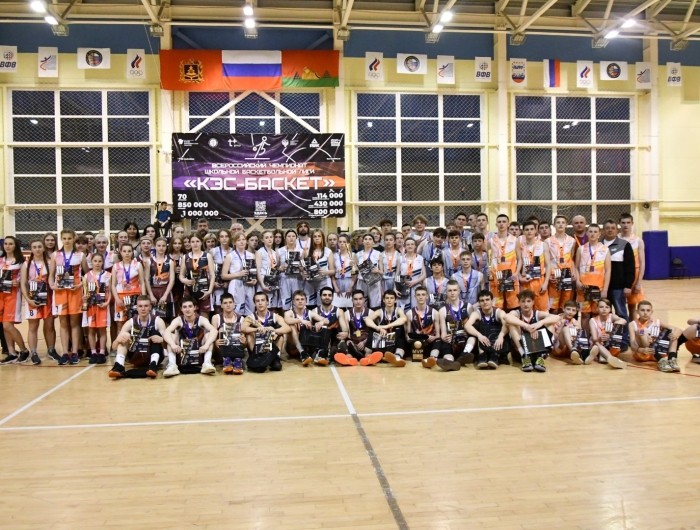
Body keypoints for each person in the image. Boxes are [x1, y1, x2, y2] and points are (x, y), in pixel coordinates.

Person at [49, 229, 89, 365]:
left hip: (75, 292)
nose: (67, 241)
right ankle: (65, 352)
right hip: (60, 292)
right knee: (63, 323)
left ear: (73, 239)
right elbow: (51, 274)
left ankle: (75, 352)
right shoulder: (55, 255)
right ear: (61, 239)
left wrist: (80, 285)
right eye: (64, 238)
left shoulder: (80, 255)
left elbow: (87, 275)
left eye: (69, 238)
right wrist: (52, 285)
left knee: (74, 323)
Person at [108, 295, 168, 379]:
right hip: (136, 356)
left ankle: (153, 365)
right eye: (140, 306)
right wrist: (118, 340)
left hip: (153, 355)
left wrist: (162, 340)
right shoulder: (130, 322)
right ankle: (119, 366)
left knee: (155, 334)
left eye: (146, 306)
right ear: (136, 307)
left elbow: (167, 345)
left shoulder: (158, 321)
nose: (143, 309)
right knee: (124, 336)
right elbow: (114, 347)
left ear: (150, 307)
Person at [20, 238, 56, 365]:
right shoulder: (26, 264)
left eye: (40, 246)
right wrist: (28, 299)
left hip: (48, 298)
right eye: (34, 247)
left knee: (49, 326)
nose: (37, 249)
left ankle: (51, 350)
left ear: (44, 248)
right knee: (33, 327)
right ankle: (34, 353)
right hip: (33, 299)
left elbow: (53, 279)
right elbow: (23, 284)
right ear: (31, 249)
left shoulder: (50, 262)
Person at [506, 290, 560, 372]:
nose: (526, 304)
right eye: (523, 301)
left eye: (528, 301)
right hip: (520, 351)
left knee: (550, 324)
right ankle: (524, 356)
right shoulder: (516, 313)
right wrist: (526, 326)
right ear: (519, 303)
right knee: (512, 324)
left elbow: (557, 317)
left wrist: (540, 323)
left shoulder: (537, 314)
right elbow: (506, 317)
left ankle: (541, 357)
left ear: (533, 302)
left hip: (536, 350)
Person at [163, 297, 218, 377]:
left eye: (190, 306)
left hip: (199, 351)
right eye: (184, 307)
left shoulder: (201, 319)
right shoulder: (178, 320)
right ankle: (172, 365)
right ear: (181, 309)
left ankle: (207, 363)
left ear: (195, 307)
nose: (187, 309)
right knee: (171, 336)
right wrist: (173, 345)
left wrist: (206, 345)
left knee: (209, 335)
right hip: (182, 352)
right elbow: (166, 332)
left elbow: (214, 331)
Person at [241, 292, 291, 373]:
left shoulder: (275, 316)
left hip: (270, 347)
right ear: (254, 303)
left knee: (280, 335)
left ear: (267, 302)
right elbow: (242, 328)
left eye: (263, 300)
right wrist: (257, 329)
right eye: (257, 301)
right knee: (249, 335)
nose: (260, 303)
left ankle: (275, 358)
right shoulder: (251, 317)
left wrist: (273, 330)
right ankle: (256, 357)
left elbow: (287, 328)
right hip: (257, 347)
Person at [627, 300, 681, 373]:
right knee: (643, 331)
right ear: (637, 312)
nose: (645, 313)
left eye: (648, 310)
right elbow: (632, 344)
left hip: (656, 352)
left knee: (673, 333)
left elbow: (677, 329)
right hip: (643, 353)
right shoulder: (632, 324)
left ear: (651, 312)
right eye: (642, 310)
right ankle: (661, 361)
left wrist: (676, 333)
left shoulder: (657, 322)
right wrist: (641, 350)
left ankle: (672, 359)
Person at [601, 219, 635, 334]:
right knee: (604, 314)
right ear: (603, 230)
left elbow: (630, 267)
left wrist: (628, 285)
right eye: (607, 228)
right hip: (601, 287)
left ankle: (624, 338)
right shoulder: (598, 245)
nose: (610, 230)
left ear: (617, 230)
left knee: (621, 314)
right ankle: (606, 338)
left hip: (618, 287)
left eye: (613, 228)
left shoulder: (625, 245)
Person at [575, 224, 610, 332]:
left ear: (599, 234)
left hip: (598, 288)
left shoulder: (605, 249)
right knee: (585, 314)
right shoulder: (581, 249)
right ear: (587, 233)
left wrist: (605, 289)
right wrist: (577, 281)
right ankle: (585, 337)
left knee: (596, 314)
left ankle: (596, 337)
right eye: (590, 231)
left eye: (595, 232)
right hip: (584, 288)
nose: (593, 234)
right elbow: (576, 267)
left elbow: (608, 270)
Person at [465, 290, 510, 370]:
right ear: (479, 303)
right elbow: (467, 325)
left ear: (492, 301)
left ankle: (495, 355)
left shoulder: (499, 312)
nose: (485, 302)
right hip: (484, 342)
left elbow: (506, 324)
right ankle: (483, 355)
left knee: (499, 327)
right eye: (482, 300)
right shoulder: (477, 313)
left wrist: (501, 336)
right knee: (479, 326)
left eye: (487, 299)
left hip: (497, 341)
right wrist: (479, 335)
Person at [335, 290, 383, 366]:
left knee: (375, 336)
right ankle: (349, 359)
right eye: (355, 299)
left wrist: (364, 342)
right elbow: (346, 331)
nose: (358, 301)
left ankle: (367, 357)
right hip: (353, 342)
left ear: (364, 300)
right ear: (352, 300)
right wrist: (348, 339)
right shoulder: (347, 314)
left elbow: (375, 330)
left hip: (366, 343)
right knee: (344, 340)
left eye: (360, 299)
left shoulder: (370, 312)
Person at [0, 236, 28, 364]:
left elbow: (23, 281)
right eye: (6, 243)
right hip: (1, 295)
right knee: (4, 326)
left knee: (8, 325)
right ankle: (11, 353)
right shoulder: (0, 260)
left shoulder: (21, 262)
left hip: (13, 296)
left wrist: (16, 282)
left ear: (15, 245)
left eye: (10, 244)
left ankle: (24, 350)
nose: (7, 246)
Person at [436, 280, 475, 371]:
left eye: (454, 290)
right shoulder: (443, 310)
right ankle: (451, 362)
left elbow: (473, 327)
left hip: (464, 340)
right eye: (450, 290)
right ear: (446, 292)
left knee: (473, 338)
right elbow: (443, 333)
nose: (452, 293)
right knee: (444, 344)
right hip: (452, 341)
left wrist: (467, 333)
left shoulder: (468, 307)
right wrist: (445, 338)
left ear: (459, 291)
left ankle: (463, 355)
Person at [364, 290, 408, 366]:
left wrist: (386, 326)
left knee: (400, 329)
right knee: (372, 330)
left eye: (391, 298)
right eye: (387, 298)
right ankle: (368, 356)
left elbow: (404, 319)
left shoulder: (398, 310)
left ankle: (397, 357)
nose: (389, 300)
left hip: (394, 342)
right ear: (384, 300)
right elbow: (367, 319)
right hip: (382, 340)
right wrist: (377, 327)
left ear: (395, 300)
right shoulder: (380, 311)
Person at [82, 253, 112, 364]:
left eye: (100, 261)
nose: (97, 263)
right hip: (91, 306)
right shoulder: (86, 276)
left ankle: (102, 352)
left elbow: (110, 292)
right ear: (91, 262)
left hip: (103, 306)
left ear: (103, 262)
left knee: (102, 329)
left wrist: (107, 303)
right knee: (91, 329)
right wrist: (85, 299)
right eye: (95, 261)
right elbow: (84, 292)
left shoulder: (108, 275)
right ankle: (93, 352)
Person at [284, 290, 326, 365]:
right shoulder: (289, 313)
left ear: (306, 301)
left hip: (307, 345)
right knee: (292, 326)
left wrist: (321, 322)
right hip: (293, 348)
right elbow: (287, 320)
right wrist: (301, 321)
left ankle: (319, 353)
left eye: (302, 299)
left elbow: (327, 320)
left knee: (322, 326)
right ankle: (302, 353)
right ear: (293, 302)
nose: (300, 301)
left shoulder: (310, 313)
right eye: (297, 299)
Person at [111, 243, 146, 334]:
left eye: (129, 251)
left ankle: (135, 342)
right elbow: (113, 285)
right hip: (121, 297)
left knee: (136, 323)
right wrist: (117, 299)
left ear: (132, 252)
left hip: (135, 296)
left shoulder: (138, 265)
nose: (127, 253)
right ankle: (121, 343)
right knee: (120, 323)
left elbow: (142, 282)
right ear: (120, 252)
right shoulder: (116, 266)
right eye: (124, 251)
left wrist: (143, 298)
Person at [489, 214, 521, 310]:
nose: (501, 224)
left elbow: (520, 259)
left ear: (508, 224)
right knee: (497, 307)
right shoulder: (491, 240)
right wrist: (489, 270)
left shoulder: (515, 240)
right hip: (496, 277)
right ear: (496, 224)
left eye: (504, 222)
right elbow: (488, 258)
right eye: (499, 222)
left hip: (511, 277)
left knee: (513, 306)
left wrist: (516, 273)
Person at [547, 215, 577, 314]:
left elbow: (571, 258)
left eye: (563, 222)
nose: (560, 224)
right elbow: (546, 261)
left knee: (565, 305)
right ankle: (554, 323)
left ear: (566, 225)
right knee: (554, 307)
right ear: (554, 225)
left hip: (567, 274)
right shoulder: (548, 241)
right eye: (558, 222)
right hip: (554, 275)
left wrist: (573, 272)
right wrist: (548, 275)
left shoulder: (572, 240)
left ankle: (564, 323)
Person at [179, 233, 215, 316]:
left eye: (197, 241)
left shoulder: (207, 256)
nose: (195, 244)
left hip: (204, 289)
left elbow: (212, 275)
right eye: (192, 241)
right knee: (191, 315)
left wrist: (210, 291)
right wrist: (184, 280)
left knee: (204, 315)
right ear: (190, 243)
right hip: (190, 290)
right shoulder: (185, 257)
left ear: (201, 242)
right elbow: (181, 275)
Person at [405, 286, 441, 368]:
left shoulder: (434, 312)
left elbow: (438, 335)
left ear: (427, 296)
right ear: (415, 297)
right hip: (416, 345)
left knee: (438, 340)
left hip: (429, 343)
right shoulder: (409, 313)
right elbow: (407, 336)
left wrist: (433, 337)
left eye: (423, 295)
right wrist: (415, 338)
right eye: (418, 295)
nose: (421, 297)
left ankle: (432, 358)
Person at [212, 292, 248, 375]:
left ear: (234, 304)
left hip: (237, 349)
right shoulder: (216, 318)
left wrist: (244, 341)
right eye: (225, 303)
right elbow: (213, 336)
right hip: (221, 350)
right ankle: (227, 360)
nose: (228, 305)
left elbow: (244, 342)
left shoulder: (241, 319)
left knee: (240, 335)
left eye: (230, 302)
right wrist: (215, 342)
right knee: (221, 330)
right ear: (221, 305)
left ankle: (237, 361)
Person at [518, 220, 550, 311]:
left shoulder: (543, 245)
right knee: (526, 310)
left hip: (539, 280)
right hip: (525, 281)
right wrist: (519, 277)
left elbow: (548, 265)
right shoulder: (520, 247)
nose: (529, 231)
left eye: (532, 229)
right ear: (523, 232)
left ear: (536, 230)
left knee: (542, 310)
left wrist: (546, 283)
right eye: (527, 229)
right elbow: (517, 264)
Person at [312, 286, 350, 363]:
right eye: (324, 295)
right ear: (320, 297)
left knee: (342, 343)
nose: (327, 297)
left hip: (334, 338)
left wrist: (345, 333)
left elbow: (344, 328)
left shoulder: (339, 311)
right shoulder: (314, 311)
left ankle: (330, 353)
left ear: (332, 297)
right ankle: (328, 353)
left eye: (329, 295)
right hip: (320, 340)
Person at [222, 232, 257, 315]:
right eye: (238, 240)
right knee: (237, 310)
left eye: (243, 239)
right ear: (234, 242)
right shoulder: (230, 256)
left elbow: (254, 272)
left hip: (249, 284)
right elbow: (223, 275)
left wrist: (254, 280)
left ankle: (248, 323)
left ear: (246, 241)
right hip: (236, 283)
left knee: (251, 310)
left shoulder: (252, 255)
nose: (241, 242)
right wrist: (238, 274)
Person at [619, 213, 646, 319]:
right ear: (619, 224)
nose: (626, 225)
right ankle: (621, 328)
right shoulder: (616, 239)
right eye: (623, 222)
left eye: (628, 222)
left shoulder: (638, 241)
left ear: (632, 223)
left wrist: (639, 282)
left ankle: (632, 328)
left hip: (634, 275)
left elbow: (642, 262)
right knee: (619, 305)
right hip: (619, 274)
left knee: (632, 306)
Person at [144, 237, 176, 322]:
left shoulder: (170, 262)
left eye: (163, 246)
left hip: (165, 290)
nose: (161, 248)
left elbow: (172, 280)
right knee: (152, 318)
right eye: (159, 245)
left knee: (166, 319)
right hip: (153, 290)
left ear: (166, 247)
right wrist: (151, 295)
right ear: (155, 247)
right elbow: (146, 279)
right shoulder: (149, 261)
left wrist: (165, 295)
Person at [589, 298, 627, 369]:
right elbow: (594, 338)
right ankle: (610, 358)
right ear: (597, 309)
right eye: (601, 307)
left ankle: (604, 357)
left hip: (610, 345)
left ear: (610, 309)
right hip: (598, 343)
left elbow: (624, 320)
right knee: (597, 344)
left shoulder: (611, 316)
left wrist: (615, 327)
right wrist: (600, 338)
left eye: (607, 307)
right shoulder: (592, 320)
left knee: (619, 340)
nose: (604, 309)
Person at [304, 229, 334, 308]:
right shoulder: (306, 251)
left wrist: (325, 272)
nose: (317, 238)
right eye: (315, 236)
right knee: (310, 306)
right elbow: (302, 268)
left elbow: (333, 271)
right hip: (310, 283)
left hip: (324, 281)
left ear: (322, 238)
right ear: (312, 238)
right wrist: (303, 273)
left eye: (319, 236)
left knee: (323, 305)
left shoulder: (328, 251)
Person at [550, 300, 586, 365]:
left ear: (576, 312)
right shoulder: (557, 318)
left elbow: (580, 336)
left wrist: (577, 325)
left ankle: (582, 355)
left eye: (573, 310)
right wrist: (561, 326)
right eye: (568, 309)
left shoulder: (574, 321)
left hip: (568, 350)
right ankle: (573, 350)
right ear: (563, 309)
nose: (570, 312)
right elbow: (553, 338)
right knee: (566, 329)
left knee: (579, 333)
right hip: (559, 347)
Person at [354, 233, 383, 310]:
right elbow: (355, 270)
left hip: (374, 281)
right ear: (362, 241)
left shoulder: (378, 254)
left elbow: (382, 272)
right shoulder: (358, 254)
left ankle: (375, 317)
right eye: (365, 239)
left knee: (375, 305)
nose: (367, 241)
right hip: (361, 281)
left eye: (370, 239)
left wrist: (377, 270)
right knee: (361, 303)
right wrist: (354, 267)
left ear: (373, 242)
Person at [397, 237, 426, 311]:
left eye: (412, 244)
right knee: (404, 309)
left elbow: (424, 275)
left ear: (415, 246)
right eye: (408, 244)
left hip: (416, 286)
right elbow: (397, 274)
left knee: (416, 308)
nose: (410, 246)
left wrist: (414, 282)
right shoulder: (400, 258)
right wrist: (395, 288)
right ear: (405, 246)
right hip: (403, 287)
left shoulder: (420, 258)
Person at [256, 230, 282, 311]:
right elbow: (258, 270)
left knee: (273, 306)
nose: (269, 239)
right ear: (262, 240)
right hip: (264, 281)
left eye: (271, 237)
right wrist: (262, 285)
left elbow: (276, 268)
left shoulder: (274, 253)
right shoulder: (260, 252)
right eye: (267, 237)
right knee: (263, 306)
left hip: (273, 281)